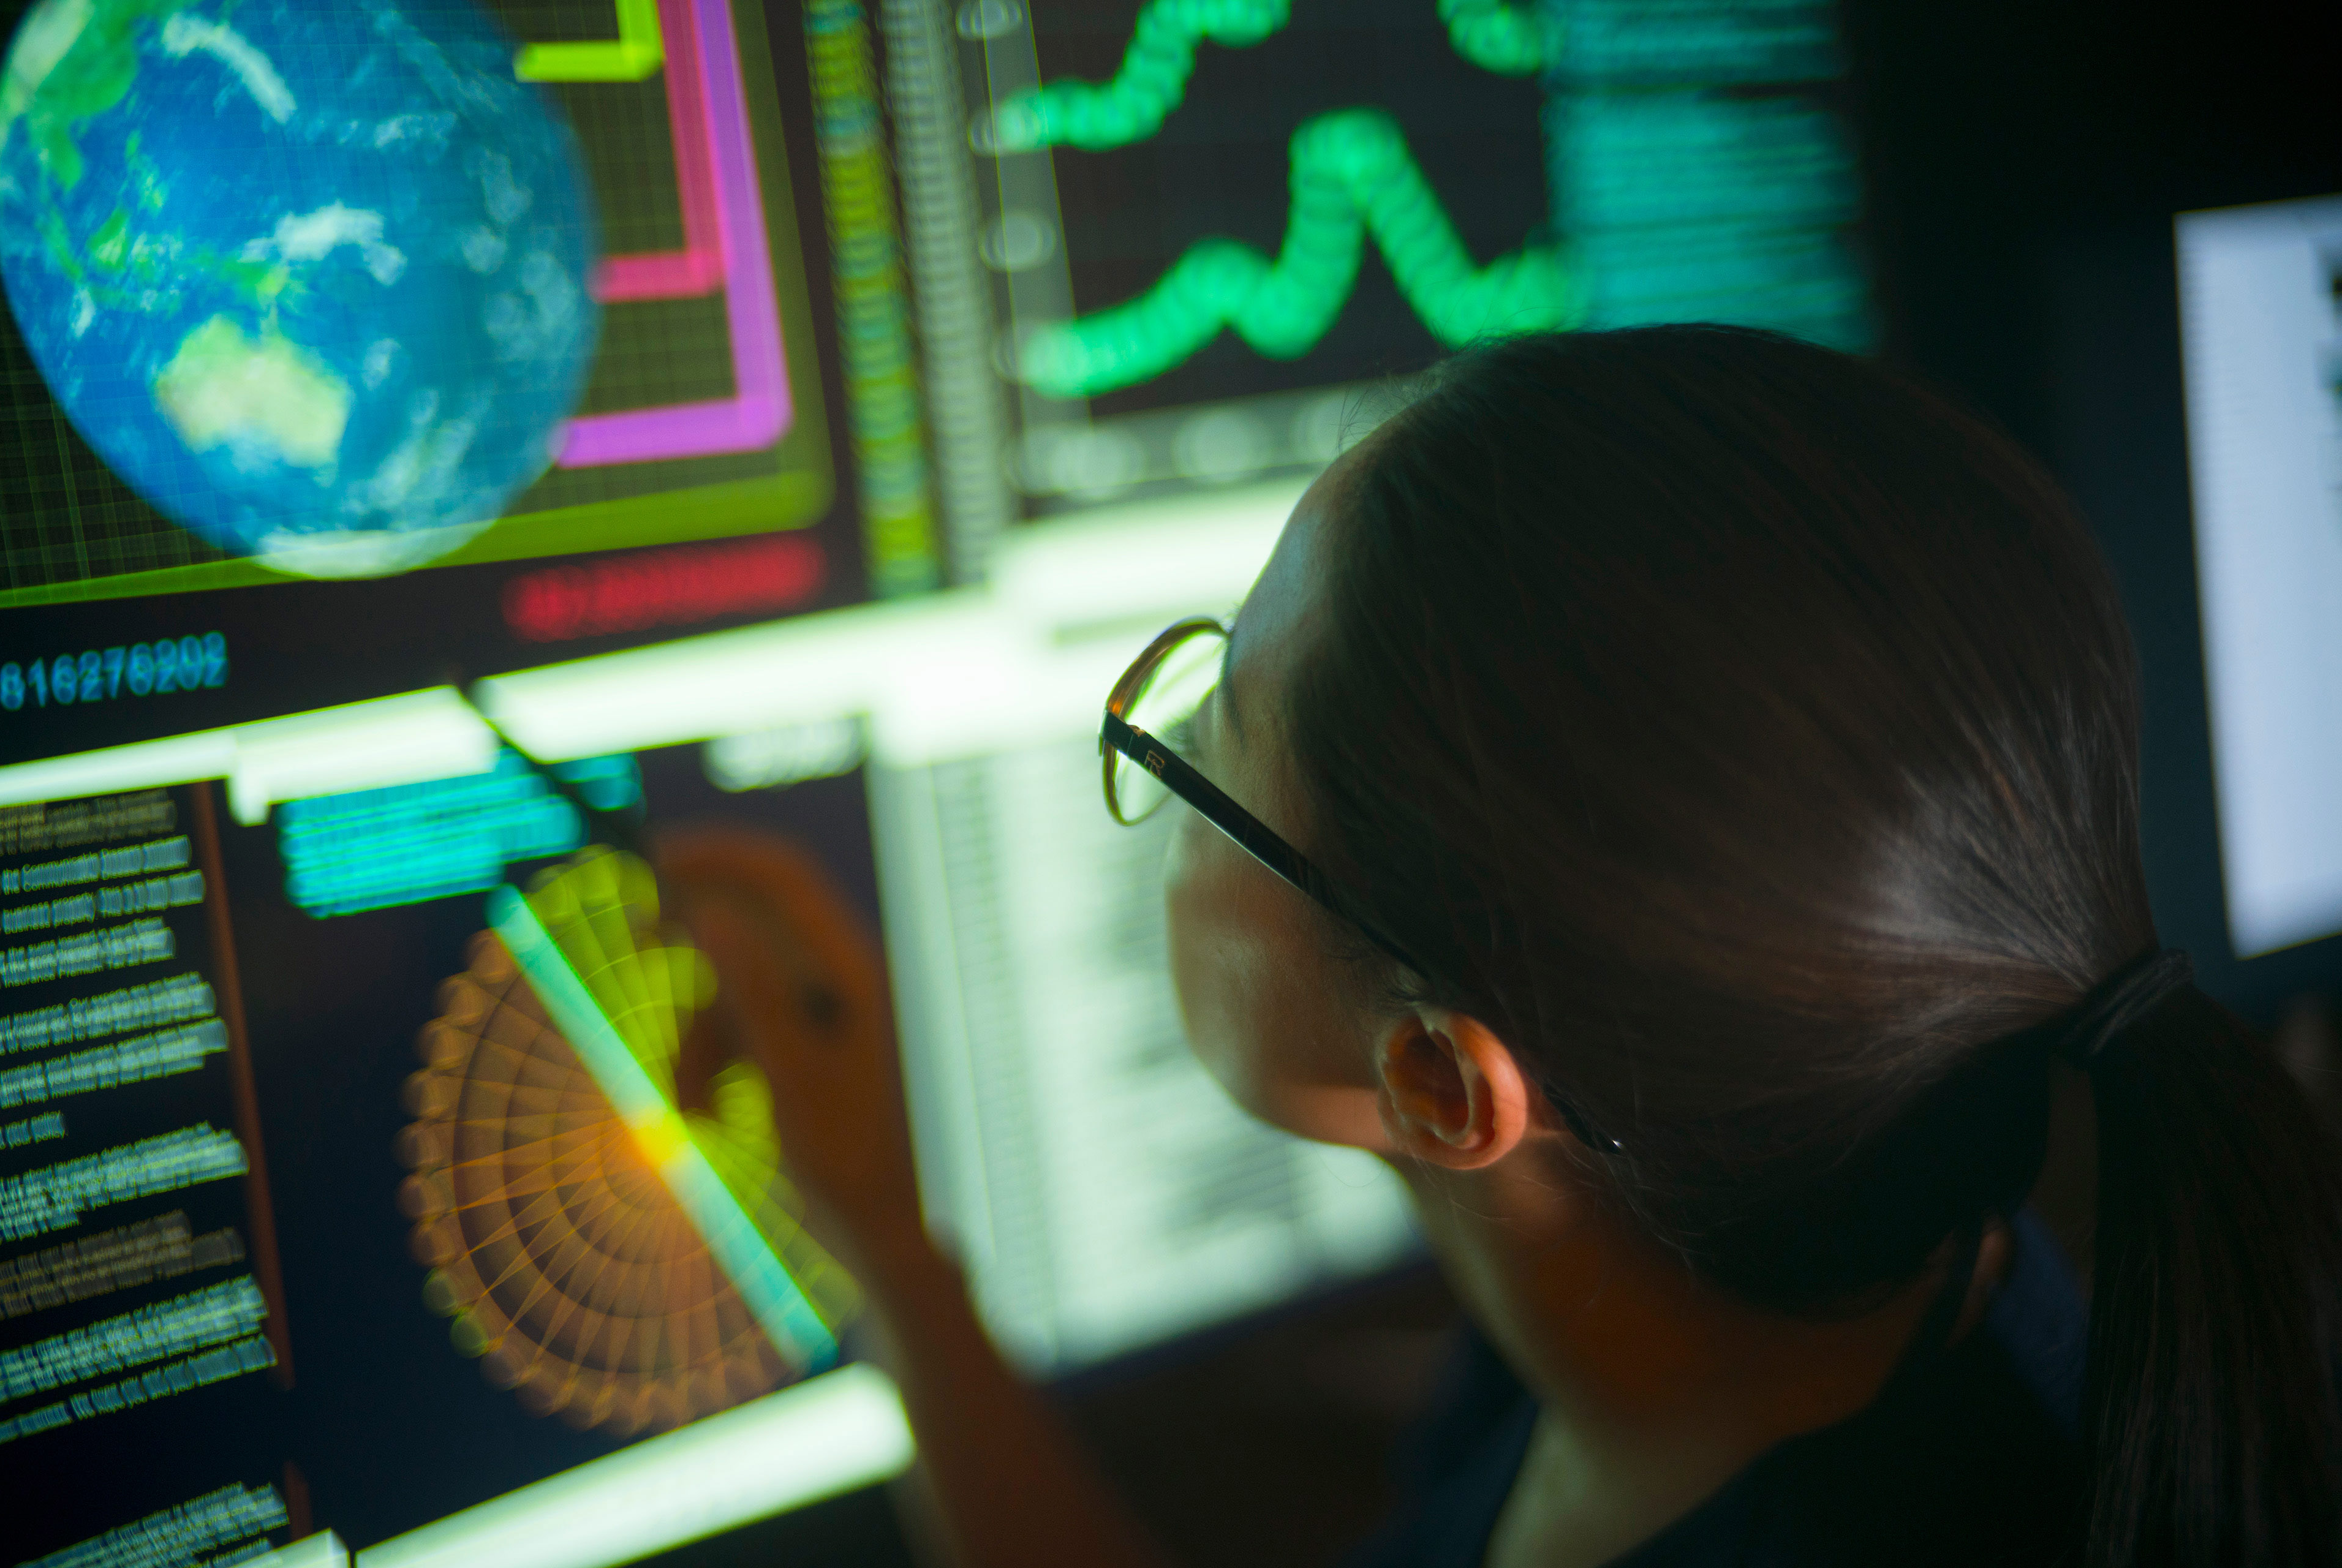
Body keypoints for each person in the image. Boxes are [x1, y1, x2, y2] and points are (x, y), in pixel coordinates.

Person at [663, 325, 2342, 1567]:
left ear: (1441, 1084)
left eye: (1211, 733)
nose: (1168, 761)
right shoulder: (1762, 1285)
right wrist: (886, 1238)